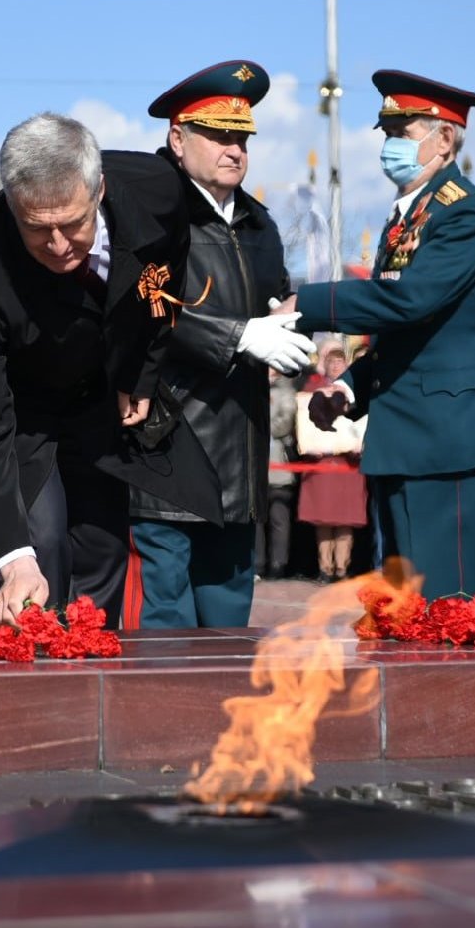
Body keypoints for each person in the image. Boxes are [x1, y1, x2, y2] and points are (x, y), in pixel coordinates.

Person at [0, 113, 219, 627]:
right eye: (38, 229)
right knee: (43, 542)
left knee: (102, 543)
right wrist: (13, 560)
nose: (59, 246)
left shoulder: (156, 189)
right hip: (14, 407)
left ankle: (91, 670)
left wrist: (140, 373)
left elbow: (162, 283)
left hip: (95, 391)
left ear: (99, 189)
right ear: (12, 204)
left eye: (72, 224)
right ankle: (35, 673)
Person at [280, 70, 475, 602]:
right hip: (407, 433)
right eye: (386, 134)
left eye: (401, 135)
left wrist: (310, 302)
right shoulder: (407, 219)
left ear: (444, 139)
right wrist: (349, 389)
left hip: (445, 437)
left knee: (444, 609)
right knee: (405, 611)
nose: (388, 147)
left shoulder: (465, 212)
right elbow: (402, 339)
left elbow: (408, 301)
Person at [125, 60, 311, 629]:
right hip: (169, 443)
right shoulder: (150, 208)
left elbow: (279, 305)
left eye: (242, 138)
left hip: (241, 447)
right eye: (219, 136)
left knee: (229, 628)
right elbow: (142, 301)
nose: (235, 149)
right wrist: (237, 335)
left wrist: (290, 326)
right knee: (167, 627)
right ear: (177, 139)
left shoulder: (259, 225)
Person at [296, 340, 369, 582]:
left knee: (346, 520)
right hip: (321, 466)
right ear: (325, 365)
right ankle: (325, 568)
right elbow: (303, 423)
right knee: (322, 520)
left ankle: (342, 569)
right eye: (331, 361)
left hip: (349, 466)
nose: (336, 365)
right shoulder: (311, 390)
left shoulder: (358, 390)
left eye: (340, 361)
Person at [258, 368, 298, 581]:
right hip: (257, 464)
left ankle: (278, 563)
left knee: (278, 517)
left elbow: (285, 423)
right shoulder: (253, 387)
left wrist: (260, 427)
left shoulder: (286, 392)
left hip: (278, 463)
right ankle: (257, 563)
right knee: (256, 518)